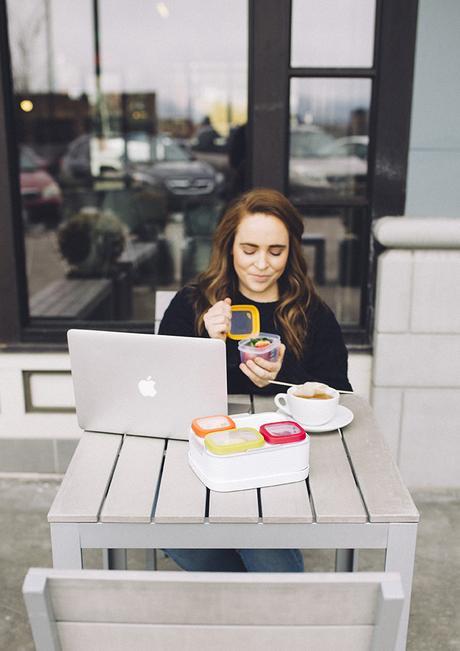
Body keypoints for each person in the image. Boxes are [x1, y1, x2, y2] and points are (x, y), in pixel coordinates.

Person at [158, 187, 352, 573]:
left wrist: (285, 378)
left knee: (262, 545)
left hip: (279, 457)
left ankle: (260, 600)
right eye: (249, 250)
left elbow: (339, 392)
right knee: (177, 538)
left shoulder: (311, 312)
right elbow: (163, 385)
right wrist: (207, 344)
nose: (262, 264)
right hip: (204, 448)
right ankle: (256, 591)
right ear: (228, 247)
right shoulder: (193, 303)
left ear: (291, 250)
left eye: (275, 251)